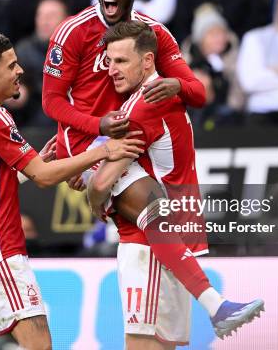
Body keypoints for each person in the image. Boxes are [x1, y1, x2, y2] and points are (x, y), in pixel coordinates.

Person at [0, 33, 144, 348]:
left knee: (11, 345)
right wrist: (104, 151)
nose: (19, 70)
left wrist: (39, 160)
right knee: (40, 345)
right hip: (0, 253)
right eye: (11, 65)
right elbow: (44, 178)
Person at [87, 21, 264, 347]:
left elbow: (101, 182)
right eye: (109, 61)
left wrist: (95, 200)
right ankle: (216, 305)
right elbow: (197, 91)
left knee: (140, 344)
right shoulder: (167, 92)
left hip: (147, 245)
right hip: (176, 240)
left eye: (122, 61)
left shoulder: (139, 108)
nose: (112, 69)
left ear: (148, 60)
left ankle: (217, 306)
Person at [42, 0, 206, 164]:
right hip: (84, 142)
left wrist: (177, 85)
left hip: (132, 138)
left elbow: (198, 94)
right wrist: (97, 124)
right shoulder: (73, 31)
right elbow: (51, 101)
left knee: (158, 193)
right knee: (136, 194)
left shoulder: (154, 32)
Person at [10, 0, 69, 127]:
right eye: (40, 15)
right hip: (32, 125)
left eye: (51, 15)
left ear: (66, 20)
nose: (44, 21)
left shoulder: (76, 50)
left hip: (68, 125)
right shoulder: (23, 50)